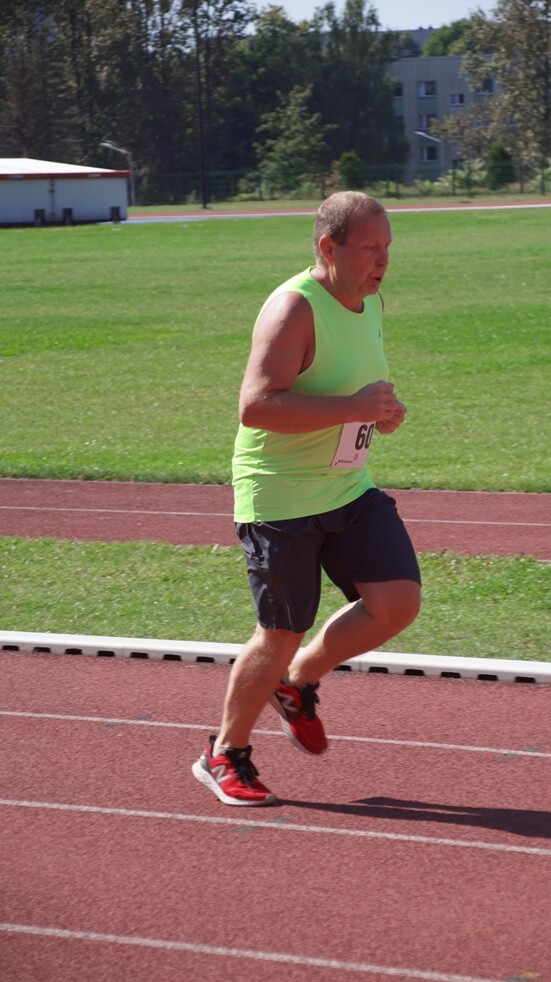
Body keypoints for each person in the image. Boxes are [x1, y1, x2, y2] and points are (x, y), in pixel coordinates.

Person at [192, 191, 421, 806]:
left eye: (388, 248)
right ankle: (224, 753)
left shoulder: (369, 301)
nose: (383, 260)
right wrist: (355, 407)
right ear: (328, 247)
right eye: (370, 248)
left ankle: (297, 683)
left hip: (347, 485)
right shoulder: (294, 307)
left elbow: (352, 389)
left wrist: (380, 412)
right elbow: (257, 406)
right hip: (280, 498)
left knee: (397, 603)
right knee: (279, 631)